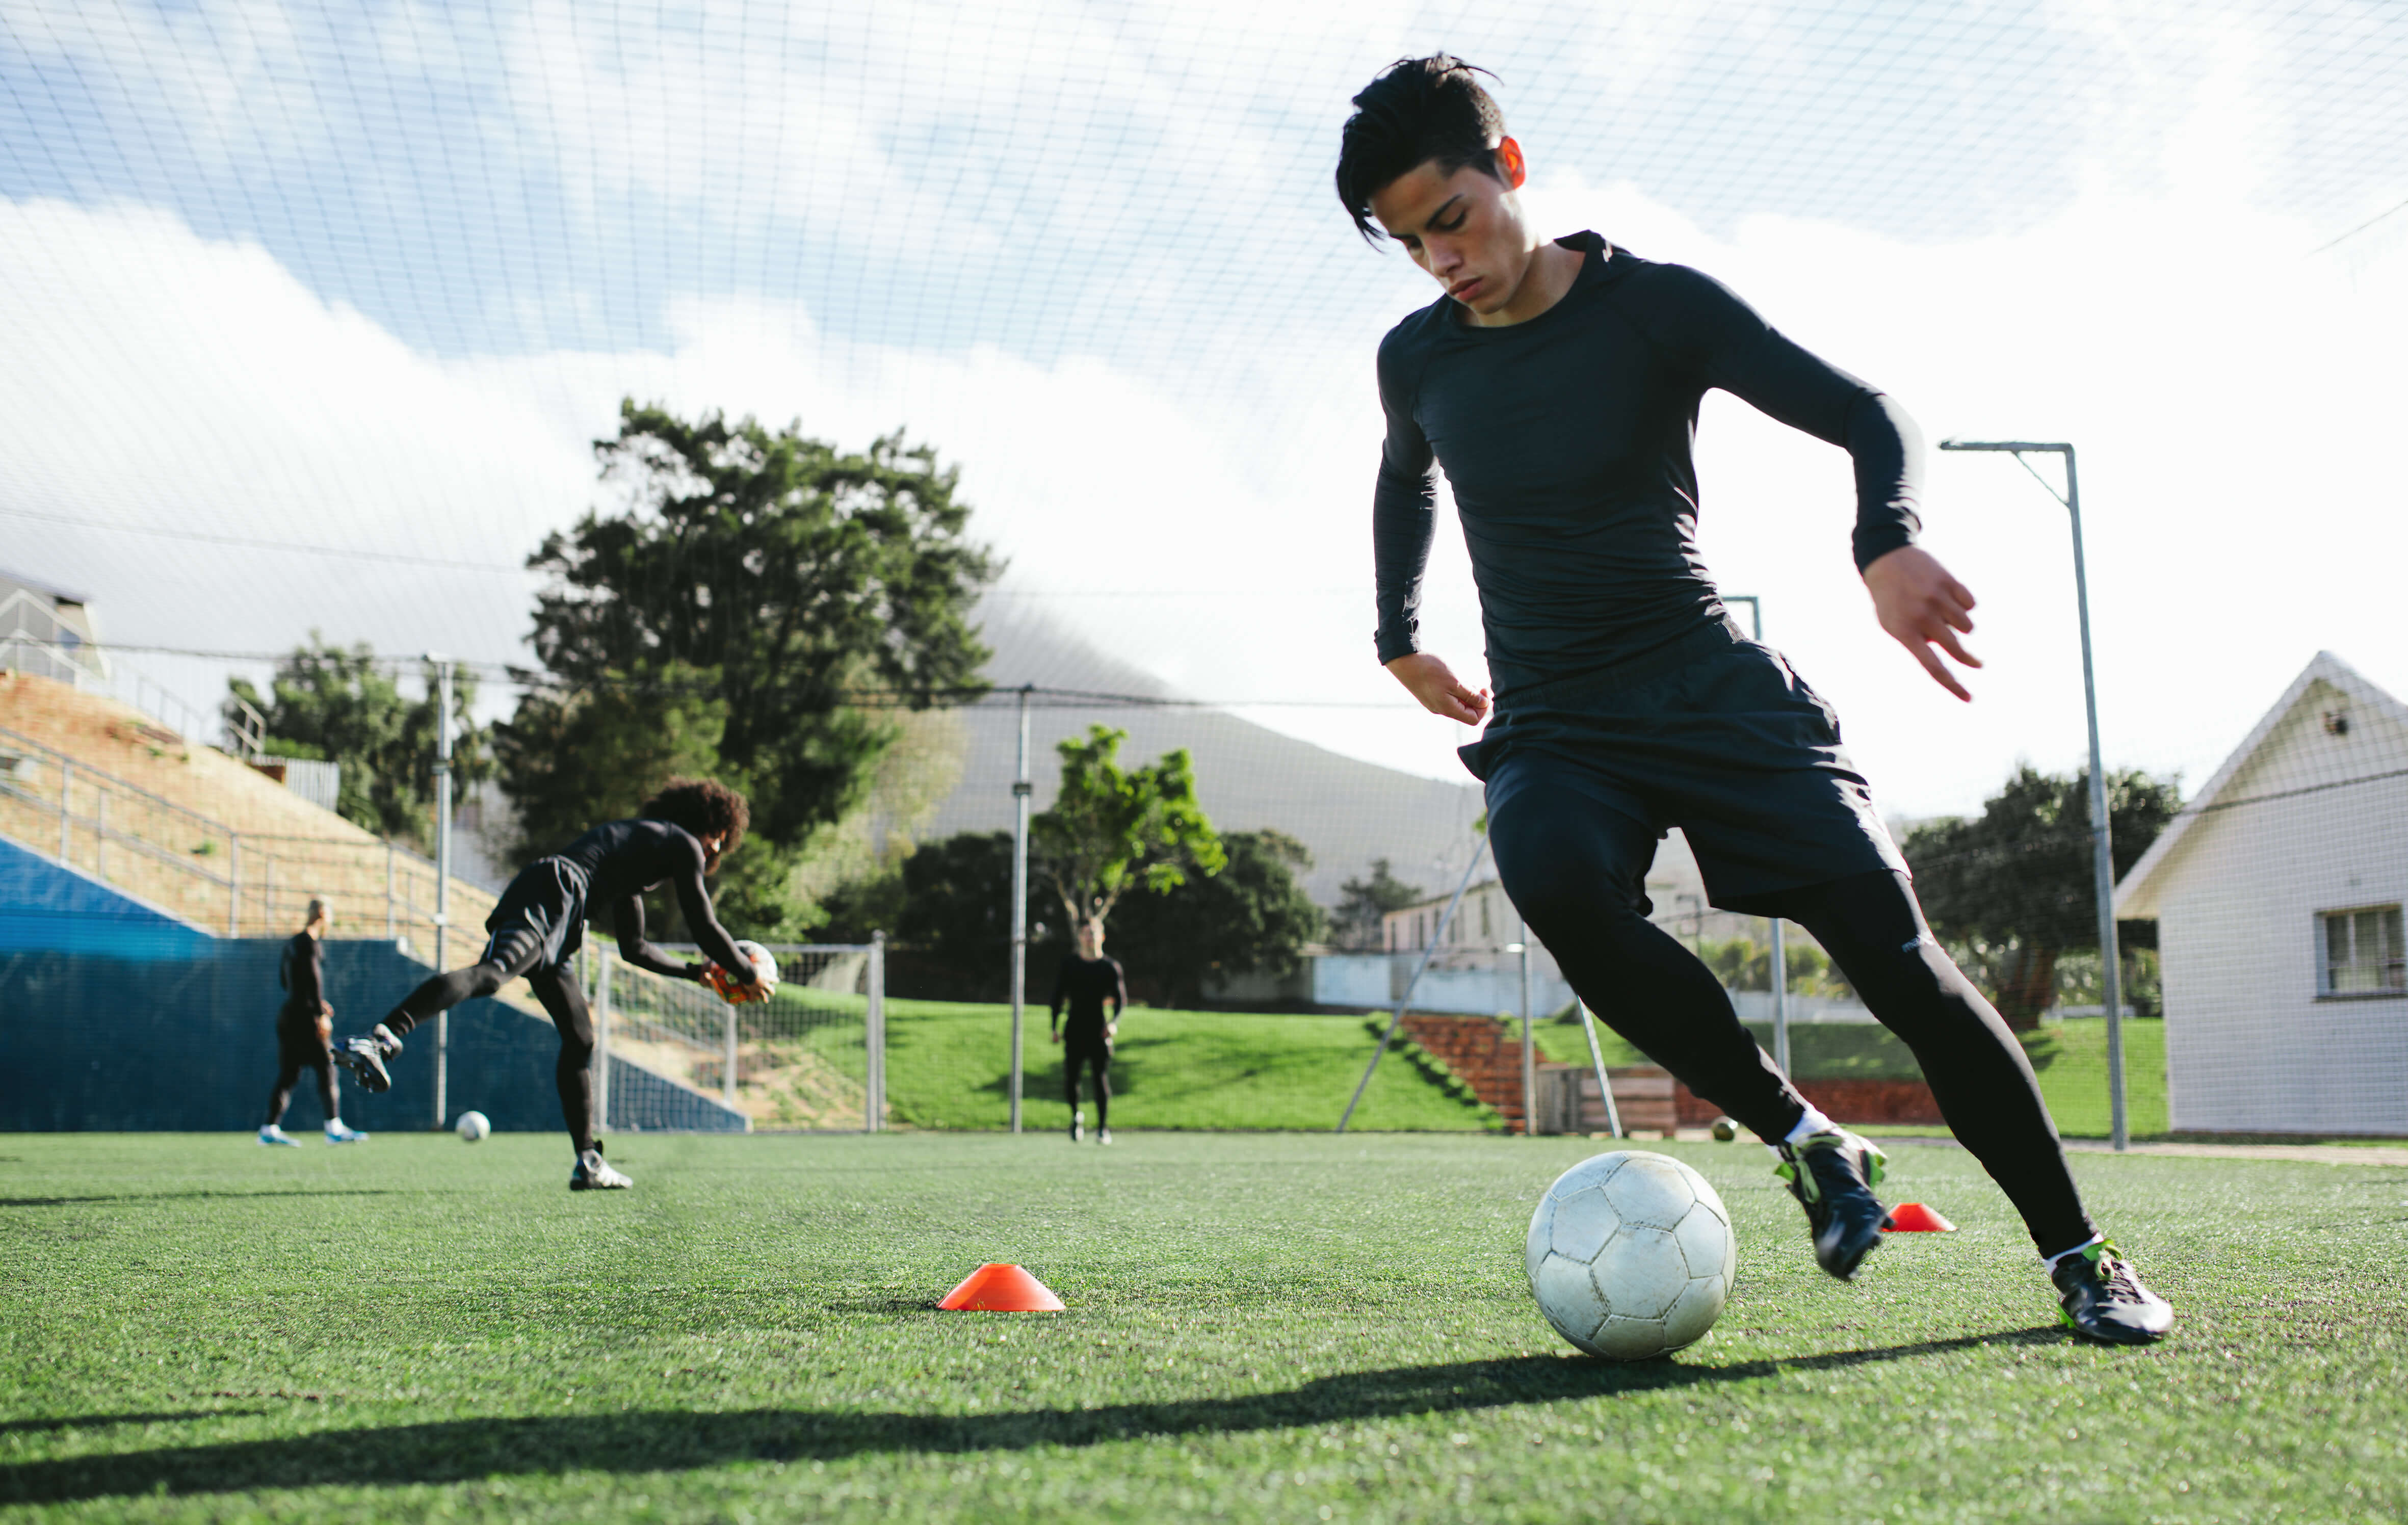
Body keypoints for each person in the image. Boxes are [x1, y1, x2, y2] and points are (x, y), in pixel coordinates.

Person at [1335, 55, 2170, 1344]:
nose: (1437, 257)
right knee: (1551, 875)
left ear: (1504, 168)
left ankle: (2080, 1255)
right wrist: (1395, 633)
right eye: (1405, 244)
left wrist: (1882, 539)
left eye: (1446, 218)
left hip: (1708, 688)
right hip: (1555, 720)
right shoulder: (1416, 360)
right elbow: (1405, 480)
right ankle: (1804, 1137)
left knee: (1903, 970)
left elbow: (1865, 408)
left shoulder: (1650, 308)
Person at [330, 778, 764, 1191]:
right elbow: (704, 925)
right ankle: (380, 1039)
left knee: (581, 1039)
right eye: (719, 836)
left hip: (564, 914)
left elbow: (635, 949)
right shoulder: (682, 842)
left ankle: (590, 1161)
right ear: (704, 825)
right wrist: (748, 973)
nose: (718, 847)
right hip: (554, 892)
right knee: (493, 975)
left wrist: (695, 974)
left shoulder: (637, 861)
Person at [259, 897, 368, 1146]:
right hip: (306, 1019)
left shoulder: (292, 944)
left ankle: (269, 1129)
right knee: (328, 1068)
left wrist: (312, 1002)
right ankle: (334, 1129)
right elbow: (313, 977)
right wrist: (319, 1011)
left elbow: (285, 982)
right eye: (330, 916)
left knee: (289, 1074)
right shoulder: (310, 943)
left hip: (288, 1015)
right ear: (322, 915)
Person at [1050, 918, 1126, 1144]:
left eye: (1093, 933)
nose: (1089, 937)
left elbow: (1121, 1000)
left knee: (1100, 1079)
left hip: (1098, 1030)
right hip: (1074, 1028)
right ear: (1080, 937)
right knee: (1071, 1079)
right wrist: (1054, 1026)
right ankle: (1076, 1117)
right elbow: (1057, 997)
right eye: (1085, 933)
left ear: (1102, 936)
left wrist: (1113, 1024)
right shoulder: (1070, 965)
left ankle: (1102, 1128)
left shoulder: (1110, 967)